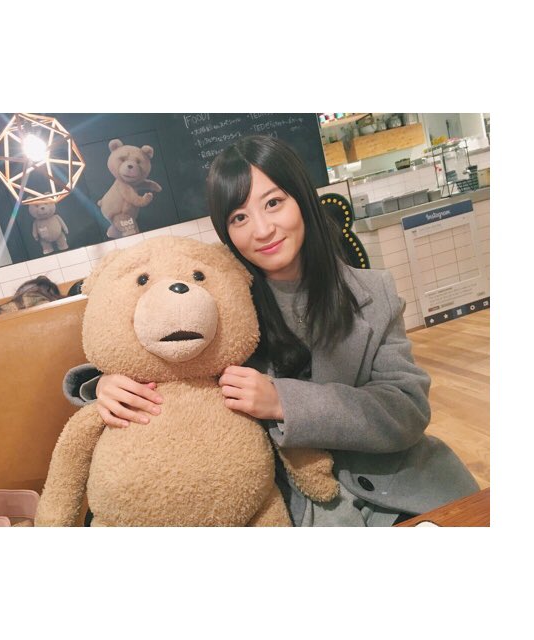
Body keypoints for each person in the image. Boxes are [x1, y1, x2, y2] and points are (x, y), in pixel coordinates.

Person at [64, 134, 479, 526]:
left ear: (302, 199)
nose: (262, 230)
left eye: (274, 203)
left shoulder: (374, 293)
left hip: (405, 485)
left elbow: (406, 410)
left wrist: (284, 402)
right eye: (239, 217)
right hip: (303, 507)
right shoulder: (222, 305)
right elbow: (157, 348)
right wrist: (104, 384)